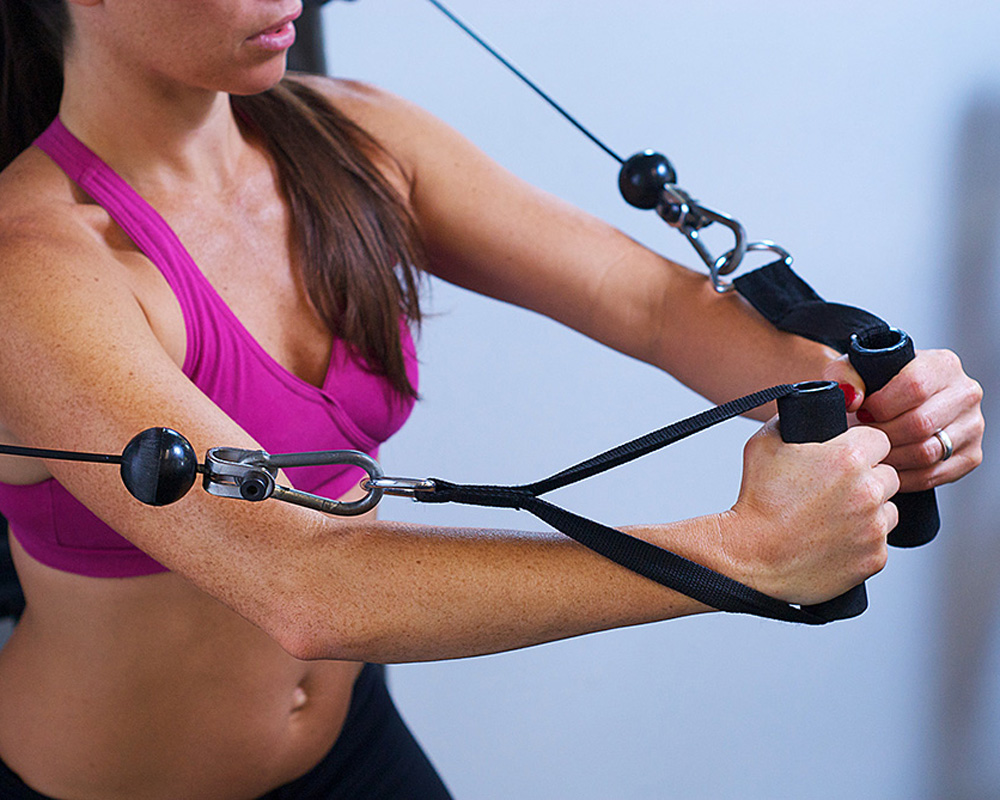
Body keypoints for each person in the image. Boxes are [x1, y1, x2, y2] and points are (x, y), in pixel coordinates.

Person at [0, 1, 984, 798]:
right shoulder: (35, 264)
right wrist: (747, 553)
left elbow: (642, 302)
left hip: (353, 749)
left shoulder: (352, 138)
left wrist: (852, 393)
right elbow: (302, 579)